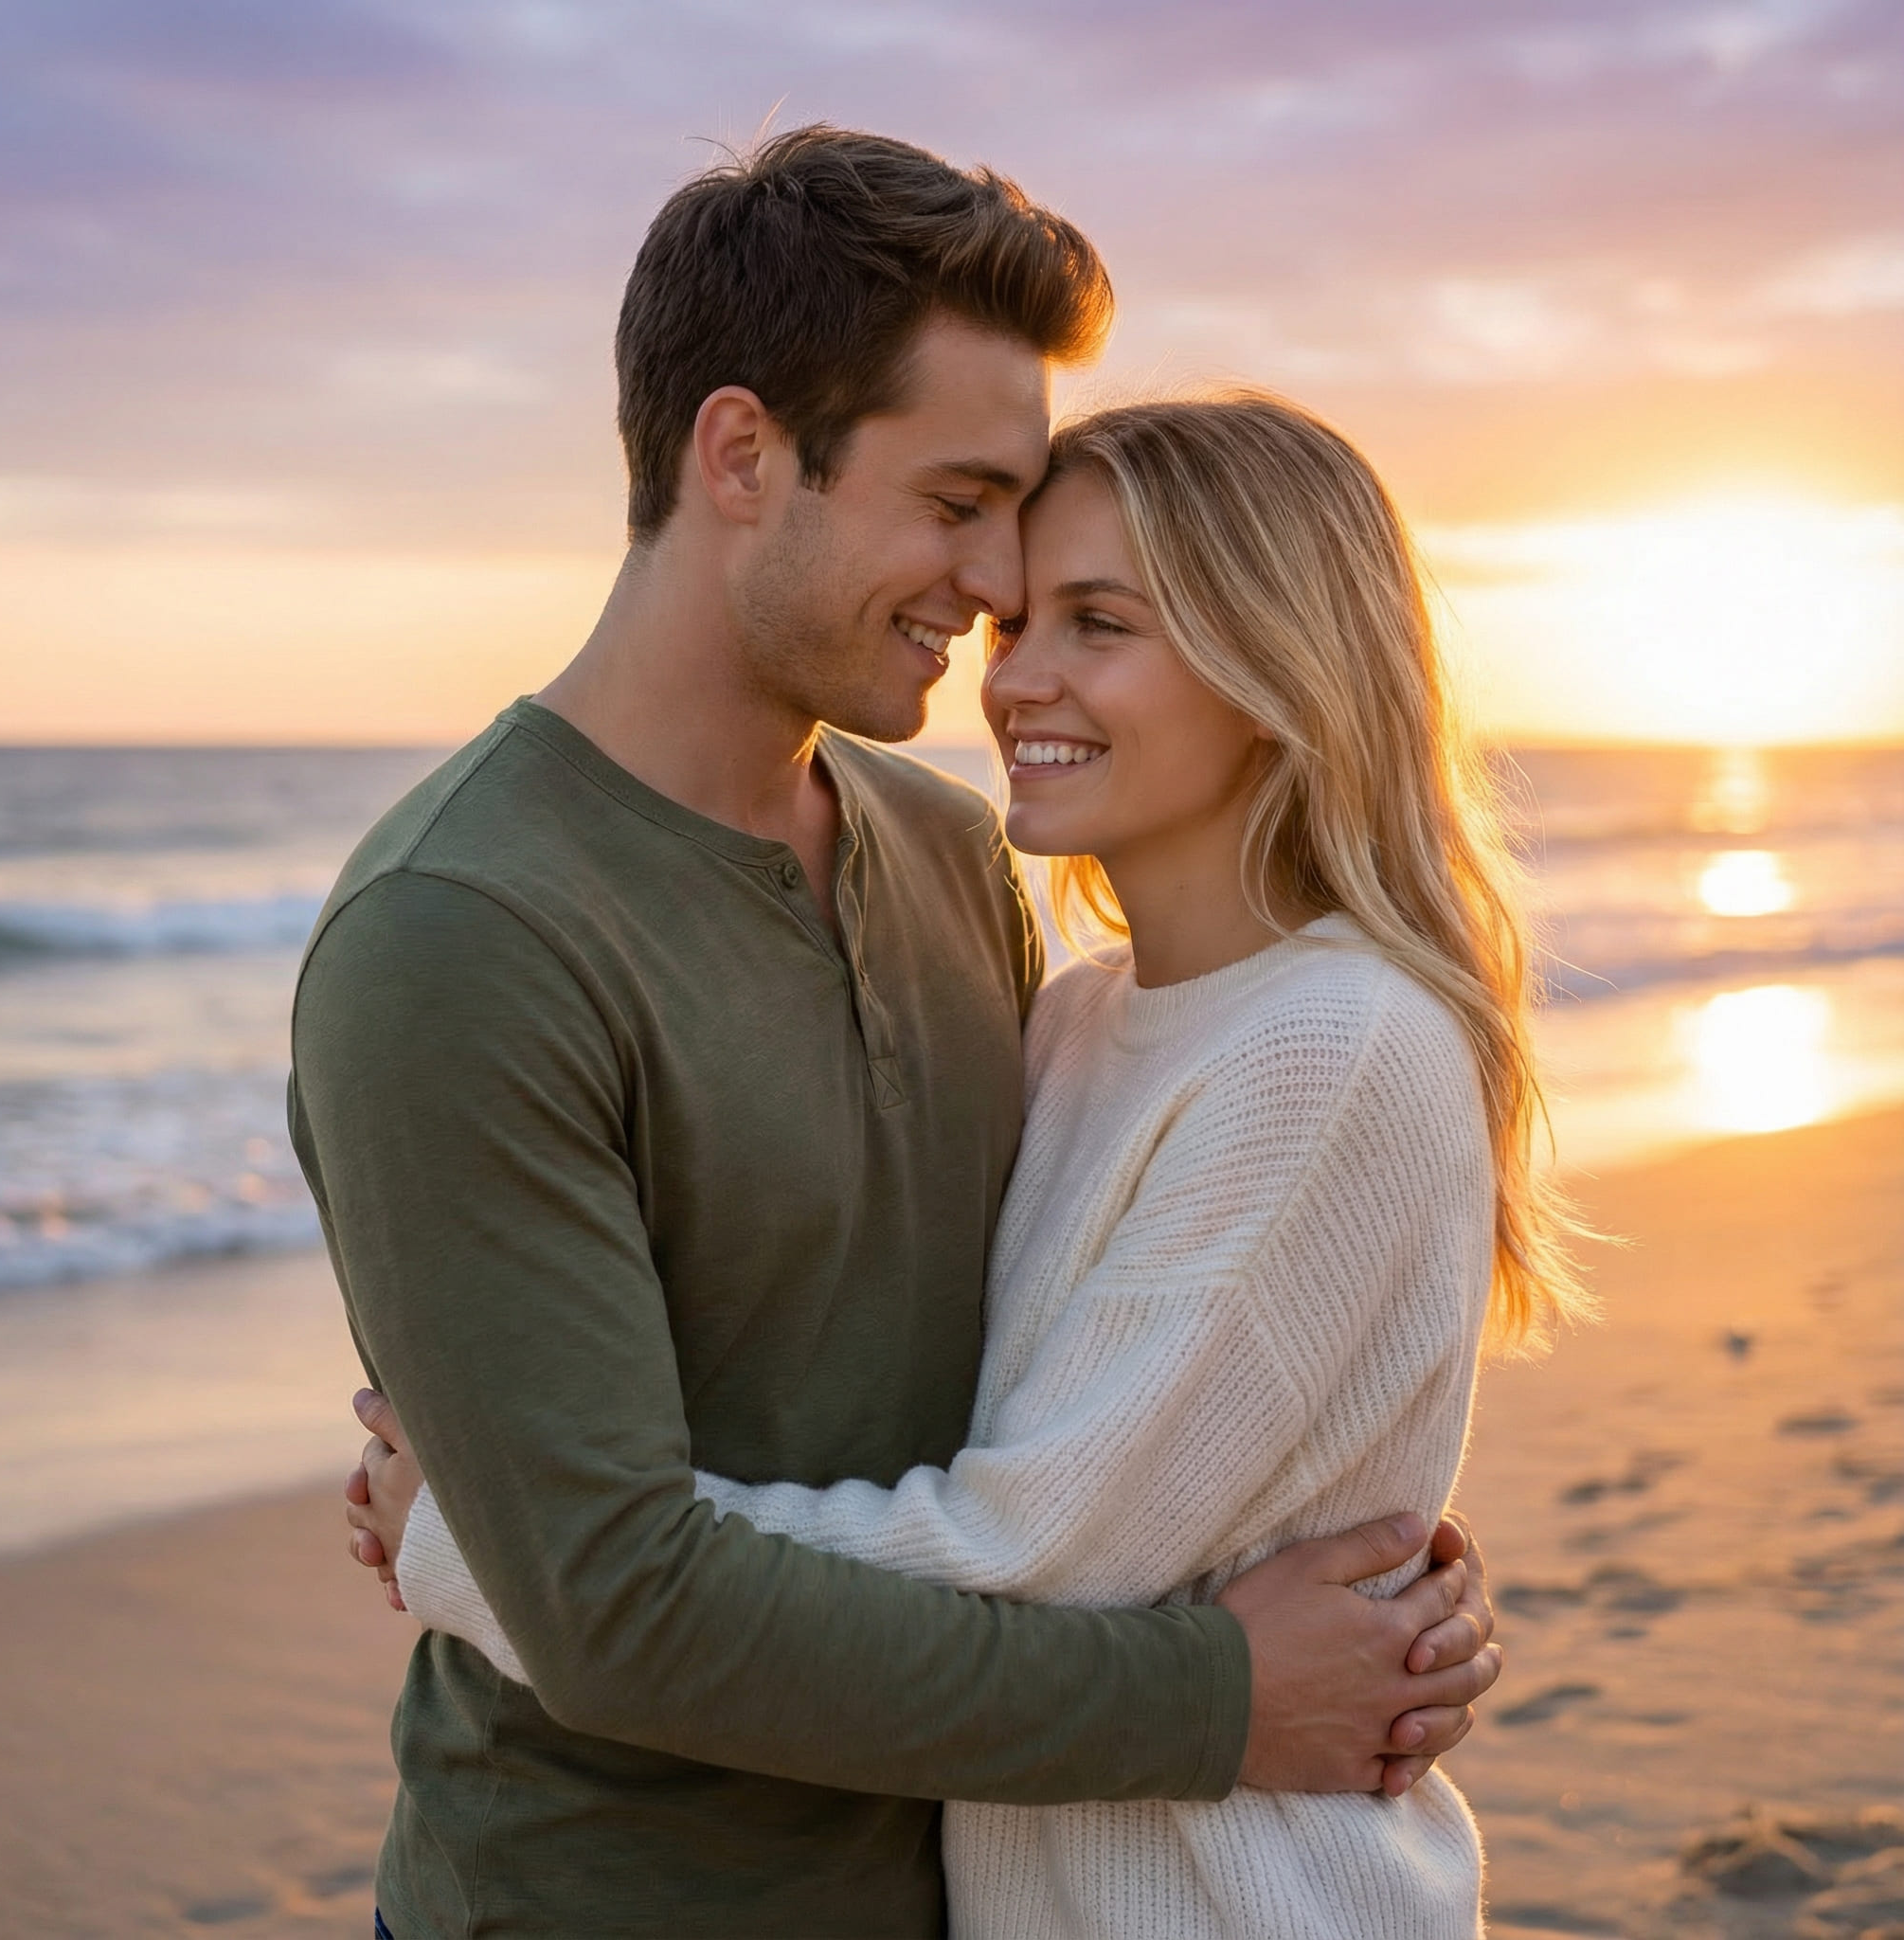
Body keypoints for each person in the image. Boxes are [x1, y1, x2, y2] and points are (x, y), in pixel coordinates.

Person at [294, 128, 1502, 1939]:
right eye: (957, 502)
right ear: (741, 454)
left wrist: (1356, 1542)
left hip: (982, 1884)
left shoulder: (953, 862)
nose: (988, 580)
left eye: (1027, 532)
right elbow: (613, 1612)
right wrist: (1236, 1695)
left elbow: (1086, 1411)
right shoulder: (456, 939)